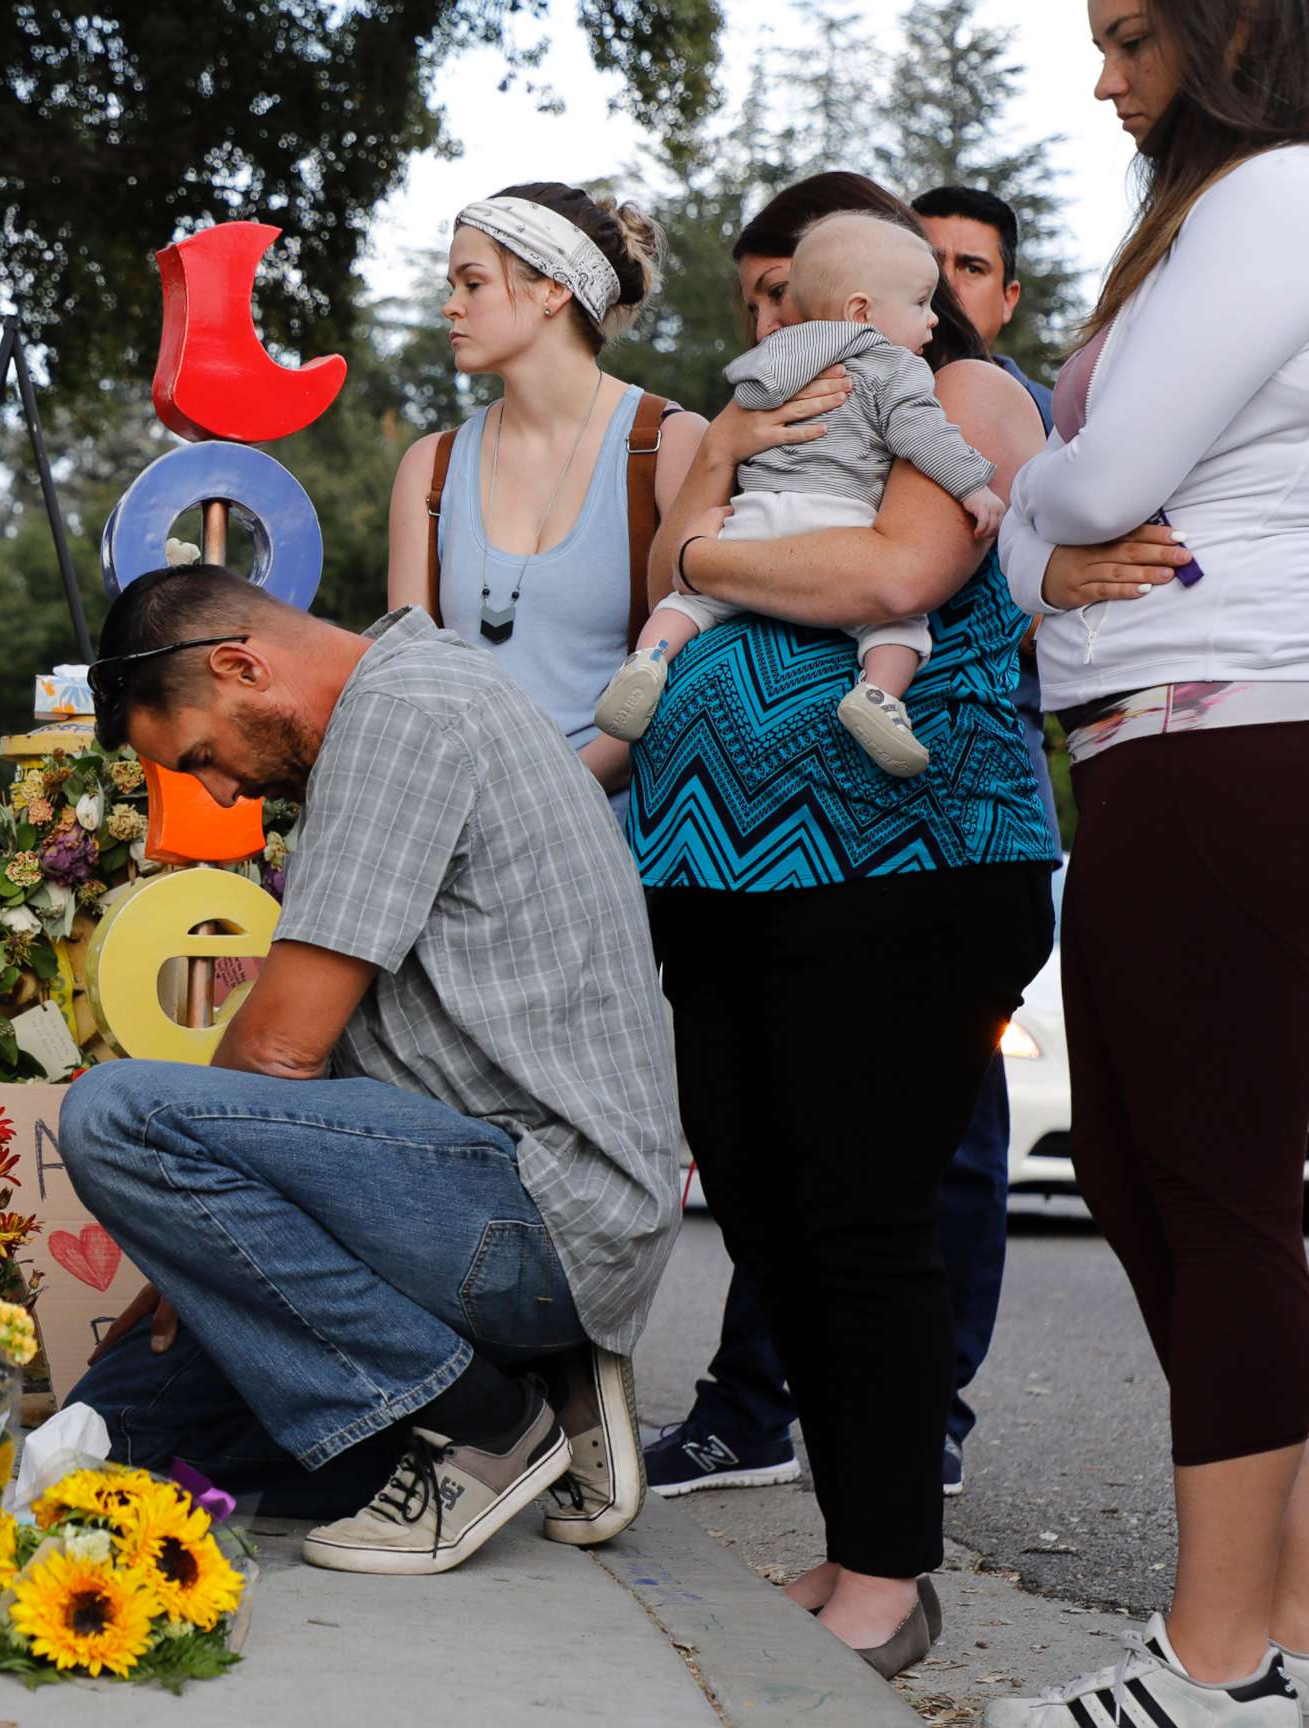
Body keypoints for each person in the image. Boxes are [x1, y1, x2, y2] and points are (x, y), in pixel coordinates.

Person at [630, 170, 1056, 1677]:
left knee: (861, 1206)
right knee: (758, 1197)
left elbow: (892, 569)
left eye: (821, 294)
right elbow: (651, 575)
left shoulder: (965, 396)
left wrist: (703, 555)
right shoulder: (755, 417)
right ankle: (846, 1540)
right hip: (716, 868)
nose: (800, 318)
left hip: (908, 863)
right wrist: (717, 479)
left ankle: (891, 1570)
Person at [57, 561, 682, 1574]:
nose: (224, 793)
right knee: (113, 1442)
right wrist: (191, 1257)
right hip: (480, 1189)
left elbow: (277, 1050)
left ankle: (487, 1421)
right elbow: (291, 1060)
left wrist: (176, 1207)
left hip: (541, 1211)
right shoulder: (413, 693)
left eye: (204, 756)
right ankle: (539, 1380)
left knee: (118, 1117)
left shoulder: (404, 719)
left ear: (239, 665)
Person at [984, 1, 1309, 1723]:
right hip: (1169, 738)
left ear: (1230, 26)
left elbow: (1102, 476)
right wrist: (1039, 541)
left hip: (1233, 727)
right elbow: (1055, 527)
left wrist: (1024, 508)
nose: (1102, 74)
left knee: (1208, 1192)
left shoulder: (1283, 193)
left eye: (1129, 33)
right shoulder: (1237, 208)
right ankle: (1308, 1625)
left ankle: (1214, 1669)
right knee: (1139, 1175)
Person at [594, 214, 1005, 778]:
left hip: (753, 516)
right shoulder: (891, 364)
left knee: (686, 605)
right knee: (898, 631)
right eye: (920, 302)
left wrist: (697, 559)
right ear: (861, 310)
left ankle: (648, 658)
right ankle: (879, 694)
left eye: (778, 295)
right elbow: (921, 433)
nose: (932, 316)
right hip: (836, 517)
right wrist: (973, 486)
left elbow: (895, 578)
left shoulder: (772, 366)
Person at [385, 183, 705, 808]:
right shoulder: (430, 467)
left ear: (553, 289)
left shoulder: (669, 445)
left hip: (617, 850)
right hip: (462, 835)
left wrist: (545, 799)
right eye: (452, 287)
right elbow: (408, 677)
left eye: (472, 284)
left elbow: (689, 675)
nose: (451, 306)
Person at [914, 185, 1057, 431]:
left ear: (1008, 300)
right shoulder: (843, 393)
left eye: (972, 268)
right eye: (929, 261)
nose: (945, 284)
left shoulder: (1059, 425)